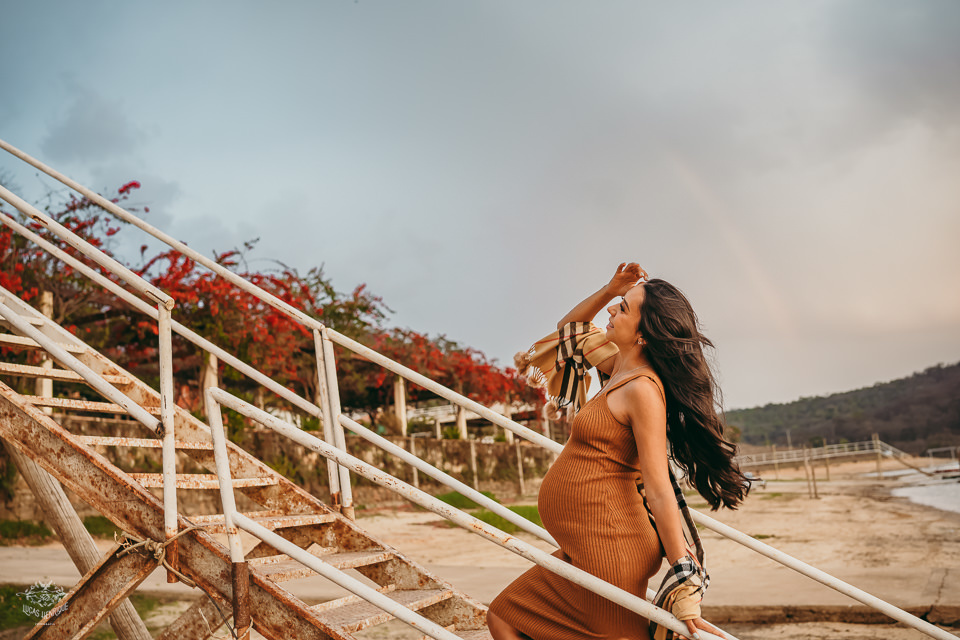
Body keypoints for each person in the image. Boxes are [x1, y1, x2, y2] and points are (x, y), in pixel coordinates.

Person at [487, 262, 749, 640]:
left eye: (624, 308)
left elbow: (659, 488)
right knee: (504, 616)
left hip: (611, 545)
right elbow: (569, 332)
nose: (612, 311)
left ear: (645, 333)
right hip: (588, 542)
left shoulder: (641, 389)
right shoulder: (617, 366)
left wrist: (683, 576)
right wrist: (611, 290)